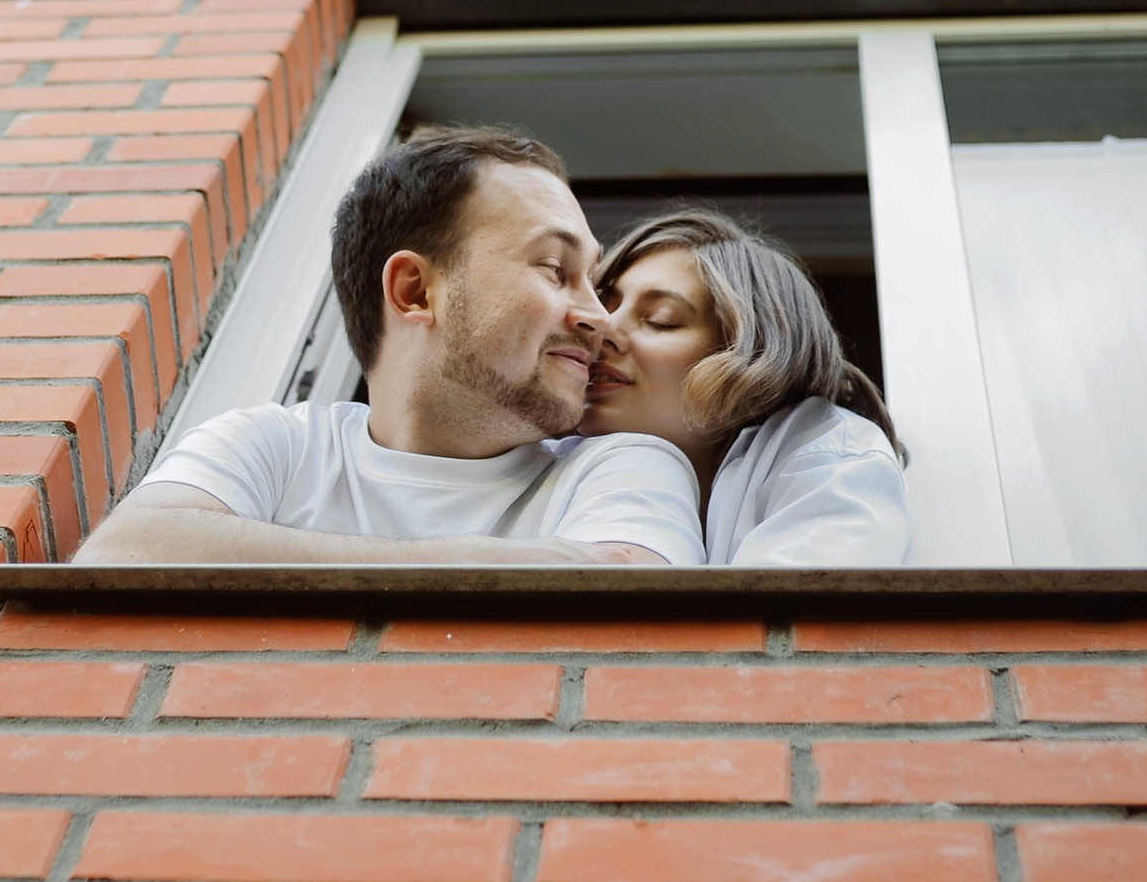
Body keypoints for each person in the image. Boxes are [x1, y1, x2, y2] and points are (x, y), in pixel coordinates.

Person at [72, 126, 704, 565]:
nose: (599, 319)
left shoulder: (618, 466)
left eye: (591, 281)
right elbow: (126, 549)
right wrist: (489, 561)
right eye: (553, 269)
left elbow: (632, 591)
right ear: (413, 290)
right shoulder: (277, 445)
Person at [580, 208, 911, 566]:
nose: (604, 330)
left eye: (662, 321)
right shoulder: (540, 461)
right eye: (602, 306)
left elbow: (791, 616)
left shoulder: (831, 460)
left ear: (750, 355)